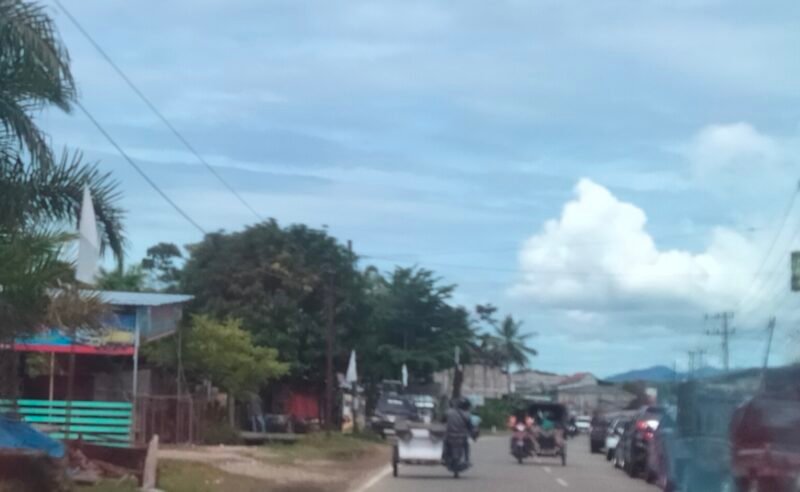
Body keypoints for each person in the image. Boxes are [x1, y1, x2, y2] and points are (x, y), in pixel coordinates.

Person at [443, 397, 477, 466]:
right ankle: (467, 459)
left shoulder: (448, 412)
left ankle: (444, 457)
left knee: (444, 443)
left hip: (449, 436)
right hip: (462, 437)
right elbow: (470, 427)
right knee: (466, 445)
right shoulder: (467, 415)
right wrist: (474, 436)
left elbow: (442, 421)